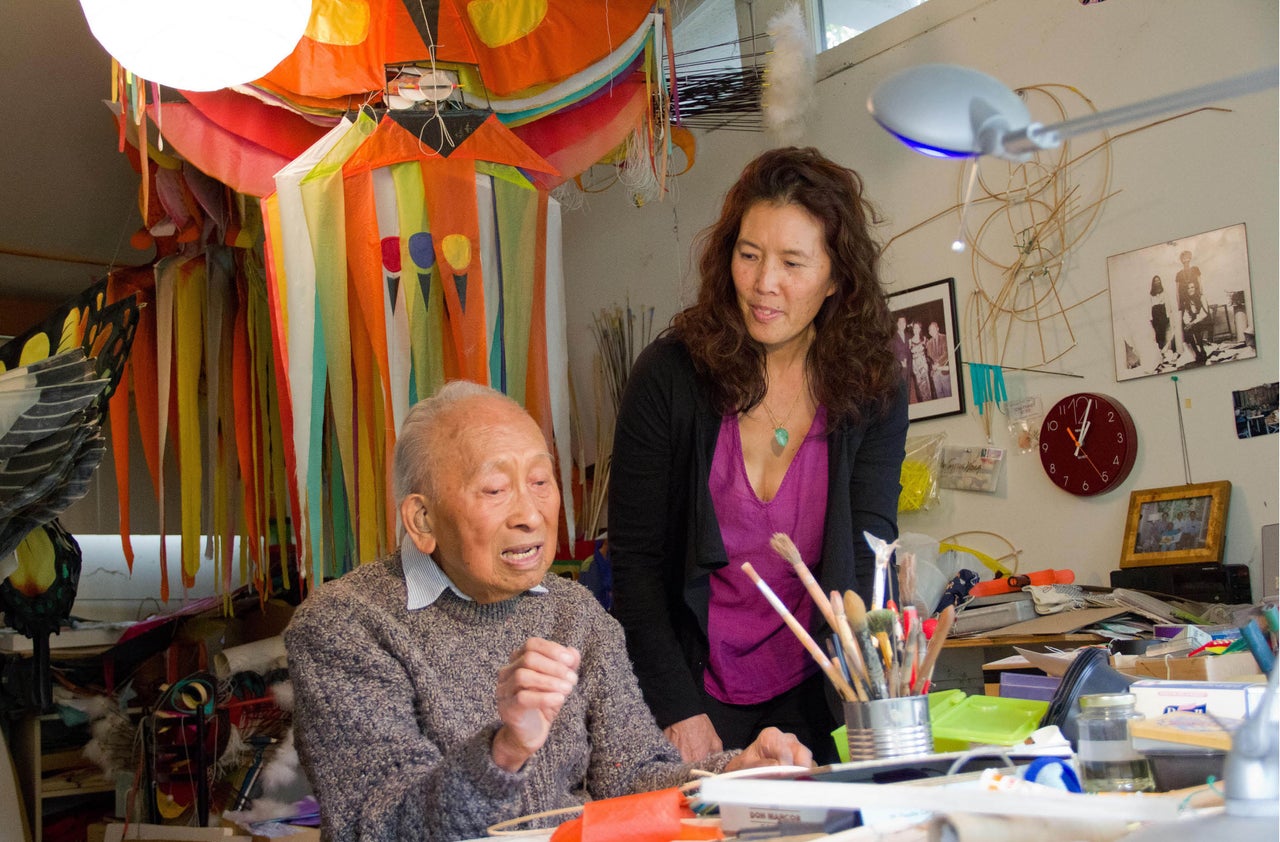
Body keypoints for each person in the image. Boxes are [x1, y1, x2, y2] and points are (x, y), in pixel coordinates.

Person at [284, 381, 811, 842]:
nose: (530, 515)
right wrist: (503, 752)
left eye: (540, 482)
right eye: (494, 489)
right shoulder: (345, 625)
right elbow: (376, 828)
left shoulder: (574, 612)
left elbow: (631, 777)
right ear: (421, 519)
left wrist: (729, 777)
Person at [608, 146, 910, 766]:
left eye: (793, 263)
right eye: (749, 255)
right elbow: (636, 563)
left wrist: (875, 695)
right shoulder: (669, 378)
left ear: (835, 279)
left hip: (820, 689)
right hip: (695, 692)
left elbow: (868, 552)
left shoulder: (871, 387)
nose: (763, 283)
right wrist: (675, 708)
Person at [1180, 277, 1212, 364]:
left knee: (1194, 327)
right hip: (1194, 322)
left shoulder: (1202, 297)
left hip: (1204, 320)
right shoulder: (1186, 301)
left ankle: (1202, 350)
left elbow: (1204, 313)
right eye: (1188, 288)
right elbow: (1186, 316)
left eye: (1192, 287)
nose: (1190, 290)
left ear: (1196, 288)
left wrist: (1192, 323)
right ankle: (1197, 353)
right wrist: (1187, 324)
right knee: (1188, 329)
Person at [1148, 275, 1174, 362]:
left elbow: (1167, 304)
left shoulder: (1164, 292)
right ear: (1153, 283)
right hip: (1155, 314)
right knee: (1157, 333)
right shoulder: (1151, 294)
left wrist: (1167, 316)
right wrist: (1150, 317)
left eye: (1158, 280)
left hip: (1162, 313)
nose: (1157, 282)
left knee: (1163, 333)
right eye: (1155, 281)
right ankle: (1159, 352)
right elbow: (1149, 306)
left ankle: (1163, 351)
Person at [925, 320, 950, 399]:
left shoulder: (945, 337)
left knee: (948, 392)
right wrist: (931, 365)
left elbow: (947, 353)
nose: (931, 331)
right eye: (930, 330)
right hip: (935, 372)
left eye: (933, 329)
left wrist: (938, 363)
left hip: (944, 370)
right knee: (939, 393)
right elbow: (928, 358)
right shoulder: (928, 343)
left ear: (937, 328)